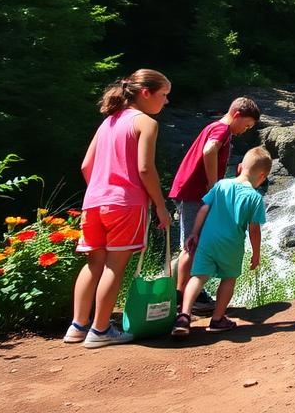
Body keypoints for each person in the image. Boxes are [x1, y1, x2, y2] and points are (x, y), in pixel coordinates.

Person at [65, 69, 172, 348]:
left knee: (93, 264)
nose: (166, 101)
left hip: (93, 202)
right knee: (115, 266)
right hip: (126, 204)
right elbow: (145, 168)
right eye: (163, 95)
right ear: (145, 93)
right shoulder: (145, 123)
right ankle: (100, 330)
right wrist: (160, 206)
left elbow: (86, 166)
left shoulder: (107, 122)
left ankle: (77, 326)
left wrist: (102, 189)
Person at [169, 97, 261, 314]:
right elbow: (209, 151)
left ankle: (188, 294)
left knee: (196, 241)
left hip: (191, 192)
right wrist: (213, 185)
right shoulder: (222, 129)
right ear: (236, 115)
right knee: (192, 245)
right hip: (194, 193)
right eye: (246, 125)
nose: (245, 131)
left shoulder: (215, 127)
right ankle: (183, 298)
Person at [171, 146, 271, 336]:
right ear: (262, 176)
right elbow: (254, 229)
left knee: (198, 276)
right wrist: (256, 253)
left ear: (240, 167)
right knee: (228, 279)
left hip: (207, 240)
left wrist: (194, 233)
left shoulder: (221, 185)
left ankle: (184, 315)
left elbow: (202, 209)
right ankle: (217, 319)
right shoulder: (255, 198)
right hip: (231, 244)